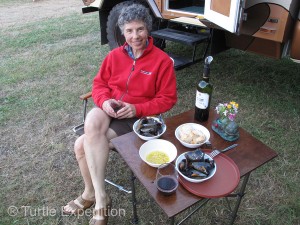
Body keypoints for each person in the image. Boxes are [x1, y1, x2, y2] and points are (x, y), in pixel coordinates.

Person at [63, 3, 177, 225]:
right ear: (123, 32)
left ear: (148, 29)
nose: (135, 36)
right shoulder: (114, 56)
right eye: (129, 30)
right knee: (92, 119)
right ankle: (101, 197)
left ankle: (90, 195)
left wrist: (137, 108)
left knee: (80, 145)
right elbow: (99, 85)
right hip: (111, 108)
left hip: (137, 119)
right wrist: (105, 101)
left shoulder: (161, 61)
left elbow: (168, 99)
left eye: (140, 29)